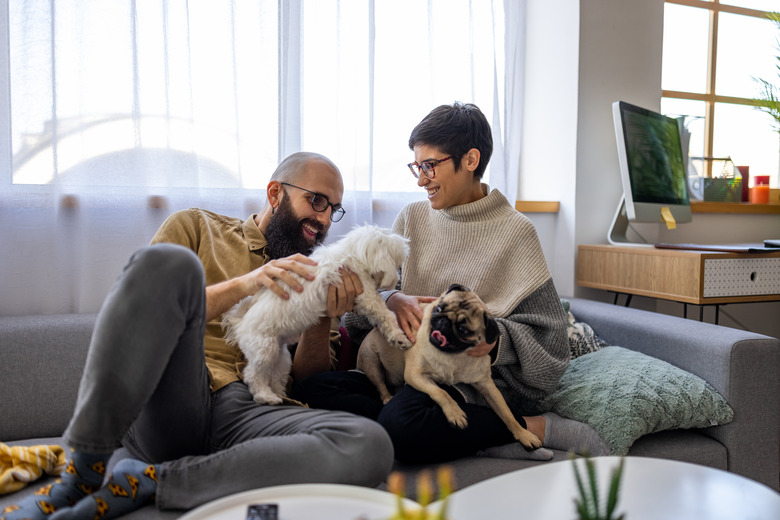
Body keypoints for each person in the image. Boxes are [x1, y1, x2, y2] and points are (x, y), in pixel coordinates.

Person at [3, 152, 394, 520]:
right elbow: (149, 306)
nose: (324, 220)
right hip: (174, 398)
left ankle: (149, 481)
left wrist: (321, 317)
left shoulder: (319, 271)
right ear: (275, 193)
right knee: (168, 262)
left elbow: (309, 381)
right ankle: (83, 469)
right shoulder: (198, 227)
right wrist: (247, 283)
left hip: (249, 413)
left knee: (370, 445)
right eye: (316, 201)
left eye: (334, 209)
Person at [292, 103, 609, 463]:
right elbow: (359, 314)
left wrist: (491, 339)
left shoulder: (516, 232)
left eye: (430, 166)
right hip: (405, 369)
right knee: (309, 390)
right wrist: (392, 297)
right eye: (417, 166)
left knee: (404, 427)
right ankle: (467, 436)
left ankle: (535, 426)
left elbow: (551, 344)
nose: (420, 179)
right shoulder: (411, 219)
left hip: (464, 381)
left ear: (471, 159)